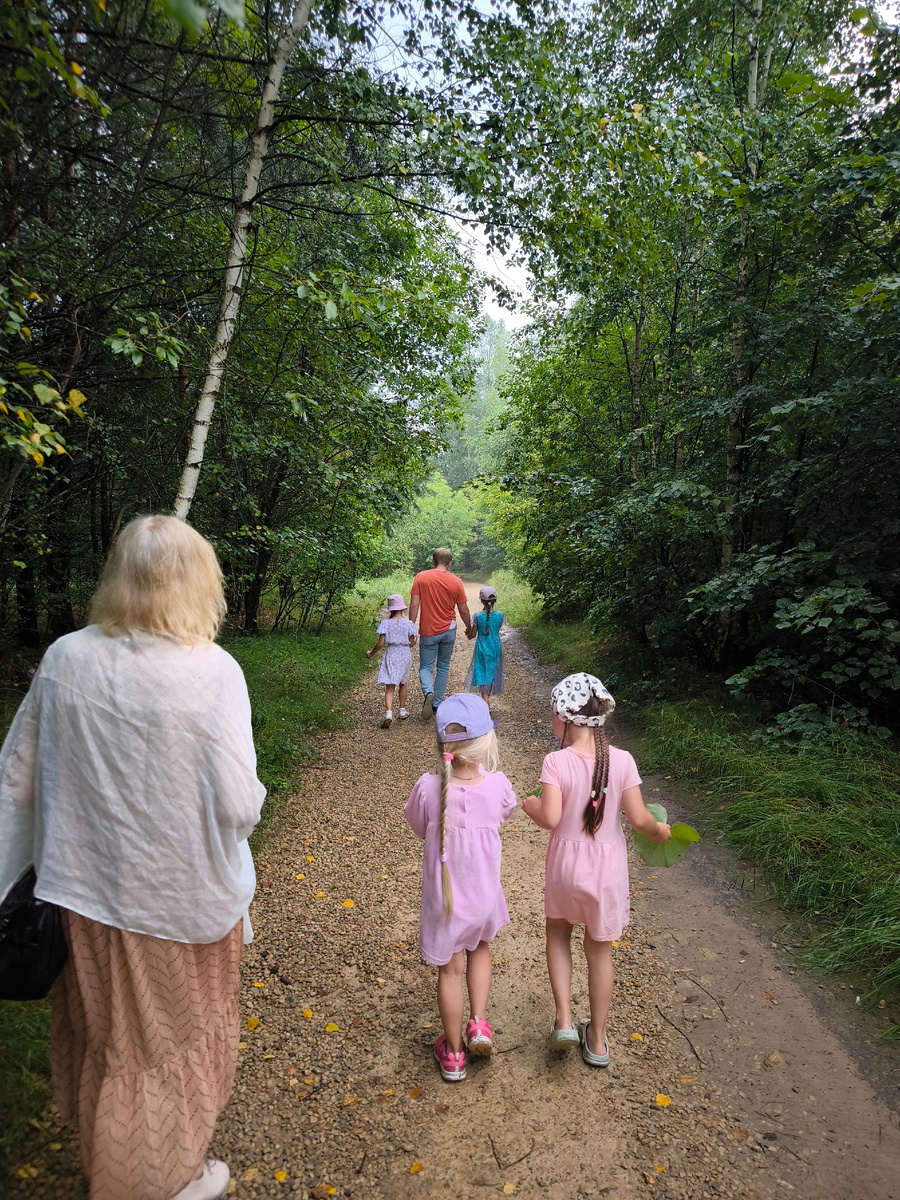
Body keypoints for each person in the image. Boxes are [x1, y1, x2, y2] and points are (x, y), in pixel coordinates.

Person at [0, 515, 266, 1200]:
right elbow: (239, 805)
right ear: (198, 582)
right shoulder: (212, 672)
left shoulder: (64, 658)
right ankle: (162, 1180)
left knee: (110, 1043)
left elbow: (18, 780)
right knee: (164, 1050)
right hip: (183, 905)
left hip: (84, 895)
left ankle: (114, 1161)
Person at [521, 673, 670, 1068]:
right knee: (599, 950)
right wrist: (659, 831)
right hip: (606, 871)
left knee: (558, 932)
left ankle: (565, 1020)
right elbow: (639, 820)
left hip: (566, 868)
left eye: (553, 714)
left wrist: (530, 806)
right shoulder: (622, 761)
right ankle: (598, 1039)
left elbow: (550, 817)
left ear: (565, 718)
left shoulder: (555, 761)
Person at [404, 693, 515, 1082]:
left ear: (442, 746)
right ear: (487, 742)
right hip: (483, 898)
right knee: (480, 950)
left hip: (445, 903)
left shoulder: (428, 788)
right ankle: (479, 1025)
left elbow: (418, 827)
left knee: (449, 971)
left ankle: (452, 1055)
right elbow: (506, 810)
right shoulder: (498, 785)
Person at [409, 548, 472, 720]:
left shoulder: (421, 577)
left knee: (426, 666)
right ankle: (436, 703)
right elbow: (463, 609)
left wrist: (411, 629)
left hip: (429, 631)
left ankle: (428, 691)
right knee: (443, 666)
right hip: (449, 630)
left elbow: (414, 605)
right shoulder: (456, 581)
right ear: (450, 563)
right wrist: (470, 627)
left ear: (433, 561)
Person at [366, 593, 417, 728]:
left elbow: (380, 643)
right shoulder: (409, 624)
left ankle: (388, 713)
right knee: (403, 682)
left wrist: (371, 653)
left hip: (392, 653)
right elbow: (412, 643)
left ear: (391, 609)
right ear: (402, 608)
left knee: (390, 684)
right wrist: (410, 640)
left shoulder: (385, 623)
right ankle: (401, 710)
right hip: (404, 654)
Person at [465, 584, 505, 703]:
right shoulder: (500, 615)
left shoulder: (477, 616)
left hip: (482, 647)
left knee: (482, 671)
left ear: (481, 601)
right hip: (495, 646)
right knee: (492, 671)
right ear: (495, 600)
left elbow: (472, 635)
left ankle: (485, 701)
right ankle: (486, 699)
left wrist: (468, 634)